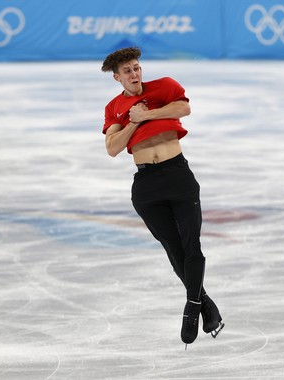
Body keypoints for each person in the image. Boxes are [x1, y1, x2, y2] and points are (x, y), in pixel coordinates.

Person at [101, 47, 224, 347]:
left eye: (136, 67)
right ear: (117, 77)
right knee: (174, 250)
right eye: (127, 71)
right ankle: (205, 302)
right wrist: (134, 121)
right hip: (146, 185)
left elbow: (183, 109)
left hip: (177, 174)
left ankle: (192, 307)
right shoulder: (114, 108)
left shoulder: (165, 86)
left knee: (191, 245)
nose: (134, 74)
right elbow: (112, 147)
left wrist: (148, 113)